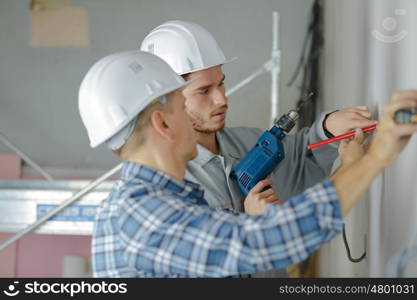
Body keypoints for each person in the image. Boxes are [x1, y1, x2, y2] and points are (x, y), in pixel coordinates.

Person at [78, 50, 417, 277]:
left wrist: (339, 143)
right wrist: (376, 158)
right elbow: (265, 241)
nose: (218, 101)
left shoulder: (170, 202)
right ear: (163, 125)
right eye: (183, 108)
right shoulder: (141, 216)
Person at [140, 20, 376, 277]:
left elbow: (300, 155)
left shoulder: (246, 141)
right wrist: (253, 228)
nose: (222, 98)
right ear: (166, 101)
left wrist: (328, 128)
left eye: (221, 83)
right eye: (204, 91)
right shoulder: (168, 190)